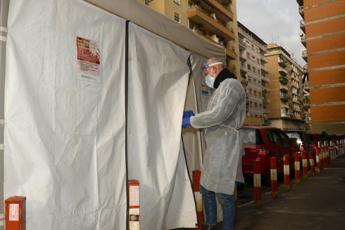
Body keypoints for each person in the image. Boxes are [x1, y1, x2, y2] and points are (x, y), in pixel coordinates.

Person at [182, 58, 246, 230]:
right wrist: (196, 116)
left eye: (206, 71)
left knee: (224, 194)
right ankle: (211, 225)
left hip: (226, 147)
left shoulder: (232, 85)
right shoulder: (220, 88)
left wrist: (193, 120)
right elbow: (213, 115)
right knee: (205, 188)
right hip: (216, 146)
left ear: (216, 68)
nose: (205, 76)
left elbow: (219, 114)